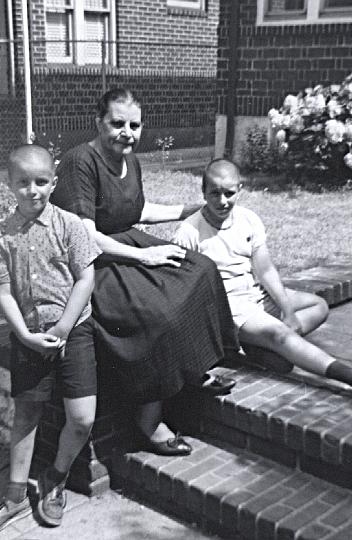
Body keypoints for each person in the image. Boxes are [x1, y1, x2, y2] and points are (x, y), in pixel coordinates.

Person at [50, 88, 238, 457]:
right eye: (117, 123)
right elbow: (85, 237)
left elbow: (136, 209)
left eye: (134, 125)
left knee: (200, 271)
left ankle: (191, 368)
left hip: (128, 245)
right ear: (98, 123)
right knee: (158, 311)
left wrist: (187, 209)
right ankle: (148, 419)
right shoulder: (80, 162)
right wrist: (146, 256)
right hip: (95, 262)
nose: (127, 132)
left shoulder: (129, 160)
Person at [172, 158, 352, 410]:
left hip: (254, 293)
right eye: (214, 193)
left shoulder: (247, 219)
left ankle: (257, 348)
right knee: (281, 334)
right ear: (203, 192)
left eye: (229, 193)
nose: (222, 201)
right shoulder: (189, 232)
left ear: (240, 190)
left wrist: (288, 311)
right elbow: (182, 289)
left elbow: (265, 269)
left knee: (318, 306)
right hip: (229, 307)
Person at [0, 144, 100, 537]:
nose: (33, 190)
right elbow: (3, 292)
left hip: (73, 331)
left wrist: (63, 328)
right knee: (27, 414)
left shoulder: (69, 225)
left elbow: (86, 278)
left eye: (41, 182)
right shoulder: (3, 235)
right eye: (23, 183)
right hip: (27, 334)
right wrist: (25, 336)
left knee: (82, 419)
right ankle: (14, 496)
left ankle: (56, 477)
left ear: (54, 182)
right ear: (8, 185)